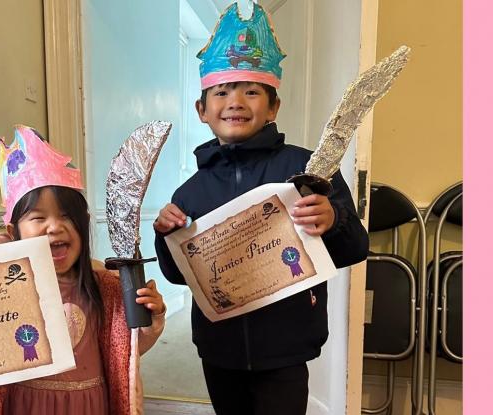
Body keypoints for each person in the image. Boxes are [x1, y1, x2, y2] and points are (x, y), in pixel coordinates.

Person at [152, 3, 368, 415]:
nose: (235, 101)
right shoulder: (189, 192)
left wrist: (333, 219)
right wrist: (167, 236)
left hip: (285, 346)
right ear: (202, 111)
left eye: (251, 91)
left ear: (273, 107)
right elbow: (178, 274)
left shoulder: (308, 169)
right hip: (219, 346)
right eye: (221, 91)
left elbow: (354, 247)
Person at [0, 125, 166, 415]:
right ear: (13, 231)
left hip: (90, 404)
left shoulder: (100, 286)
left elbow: (125, 352)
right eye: (38, 217)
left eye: (67, 216)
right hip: (26, 405)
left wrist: (148, 318)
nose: (55, 226)